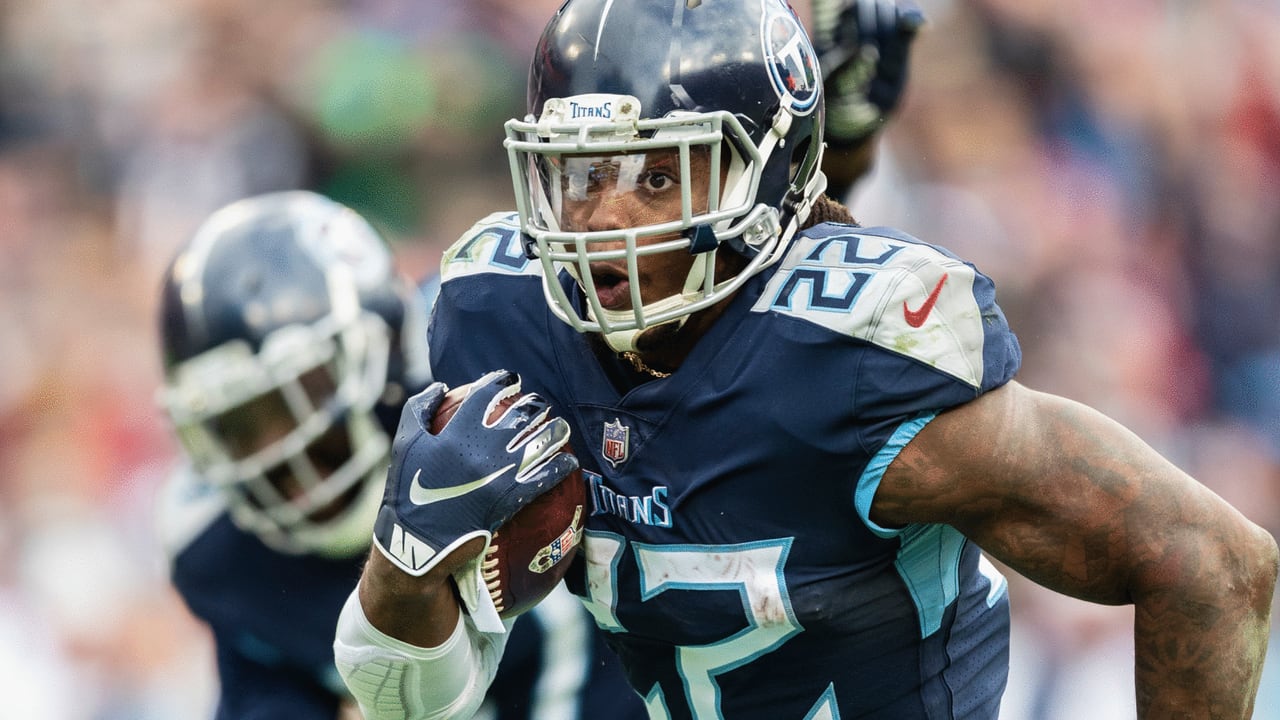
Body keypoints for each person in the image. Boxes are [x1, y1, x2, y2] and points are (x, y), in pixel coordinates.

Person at [334, 1, 1278, 719]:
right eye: (581, 175)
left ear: (765, 174)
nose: (600, 219)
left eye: (656, 176)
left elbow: (1212, 562)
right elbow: (405, 701)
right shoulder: (499, 321)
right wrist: (404, 564)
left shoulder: (852, 361)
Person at [155, 190, 643, 719]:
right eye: (239, 428)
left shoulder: (495, 393)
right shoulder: (214, 545)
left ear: (382, 349)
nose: (278, 455)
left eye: (301, 395)